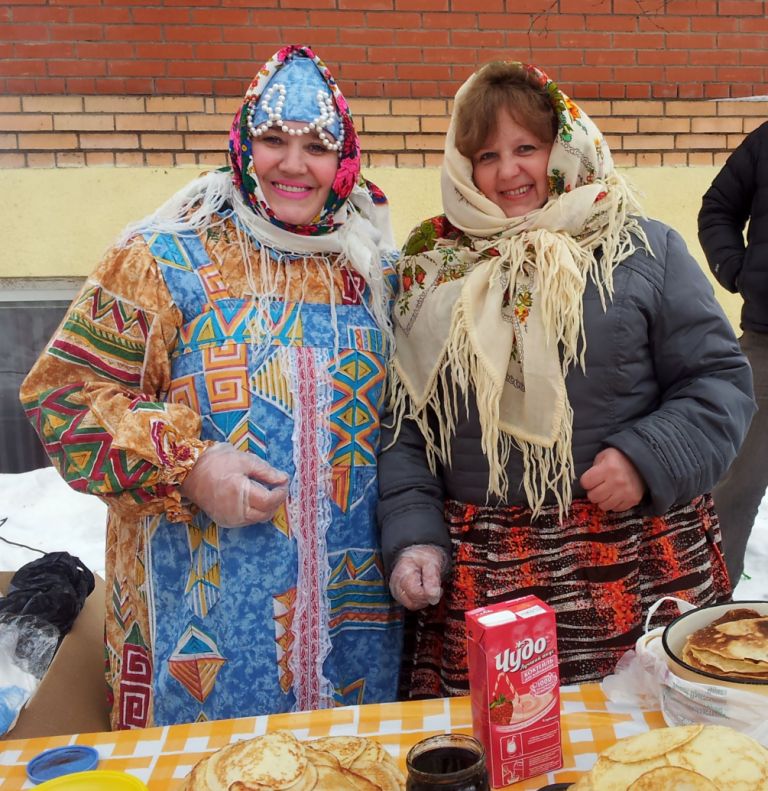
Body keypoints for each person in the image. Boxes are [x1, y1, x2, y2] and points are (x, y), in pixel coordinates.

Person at [20, 45, 403, 728]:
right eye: (274, 139)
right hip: (195, 642)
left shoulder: (371, 269)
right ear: (243, 144)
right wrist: (191, 466)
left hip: (353, 631)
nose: (293, 164)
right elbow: (65, 394)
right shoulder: (164, 255)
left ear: (344, 158)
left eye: (317, 146)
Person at [377, 60, 754, 697]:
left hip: (630, 566)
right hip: (484, 580)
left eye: (527, 147)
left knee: (641, 740)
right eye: (487, 155)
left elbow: (718, 383)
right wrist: (414, 539)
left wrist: (647, 458)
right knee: (499, 742)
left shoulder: (642, 250)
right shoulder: (429, 271)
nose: (508, 171)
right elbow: (407, 428)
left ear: (565, 149)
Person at [698, 121, 768, 587]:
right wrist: (740, 273)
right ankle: (714, 600)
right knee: (736, 481)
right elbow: (718, 208)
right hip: (766, 342)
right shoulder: (766, 141)